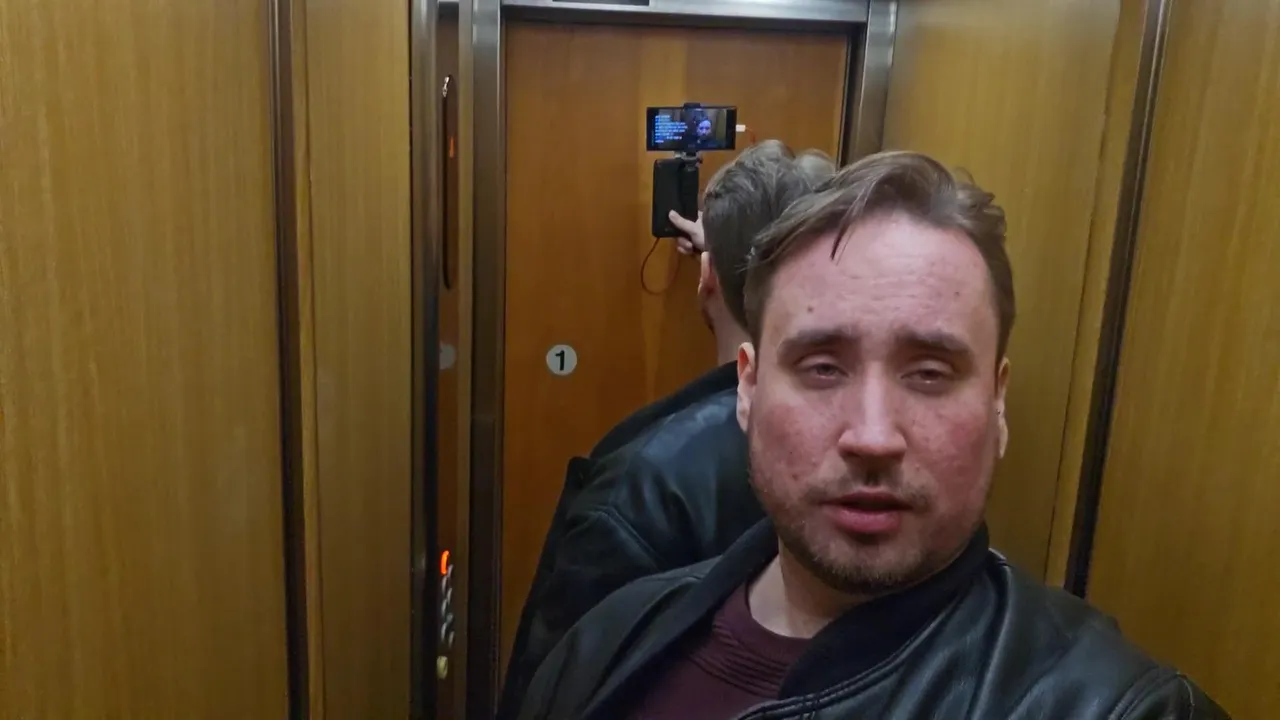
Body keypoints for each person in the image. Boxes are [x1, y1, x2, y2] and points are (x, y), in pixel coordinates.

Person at [516, 151, 1227, 719]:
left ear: (998, 402)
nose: (874, 436)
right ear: (749, 389)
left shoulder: (1114, 707)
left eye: (930, 374)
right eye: (823, 368)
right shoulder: (608, 644)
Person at [496, 141, 836, 717]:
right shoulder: (863, 443)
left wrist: (725, 256)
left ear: (707, 277)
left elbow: (562, 688)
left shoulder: (641, 488)